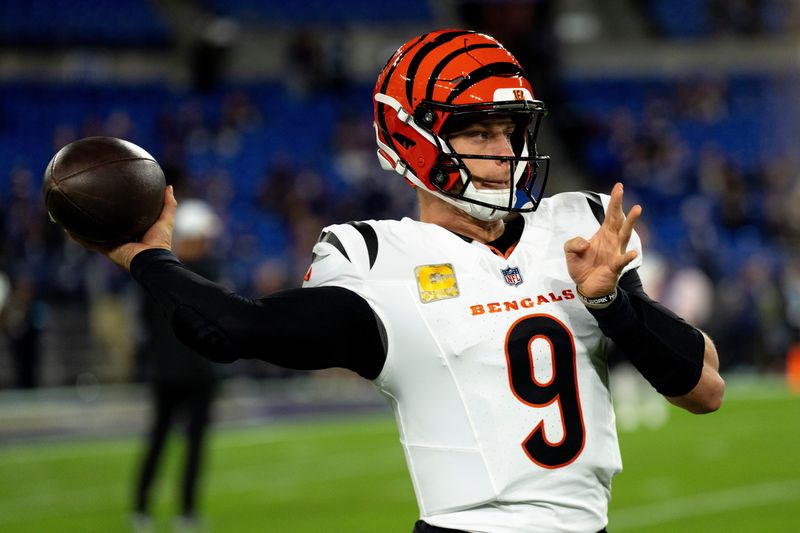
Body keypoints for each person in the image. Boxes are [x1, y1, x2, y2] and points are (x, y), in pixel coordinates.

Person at [72, 30, 724, 533]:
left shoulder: (577, 227)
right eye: (478, 132)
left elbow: (704, 388)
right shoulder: (376, 256)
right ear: (413, 140)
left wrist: (612, 302)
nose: (505, 152)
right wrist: (145, 256)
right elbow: (237, 328)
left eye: (511, 130)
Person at [131, 200, 223, 531]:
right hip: (179, 373)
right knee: (161, 443)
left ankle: (178, 510)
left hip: (189, 374)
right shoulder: (206, 273)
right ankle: (147, 508)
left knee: (185, 446)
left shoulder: (162, 273)